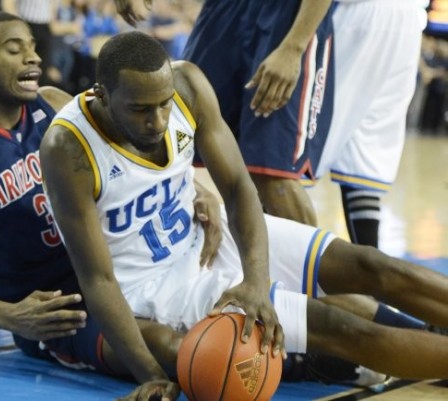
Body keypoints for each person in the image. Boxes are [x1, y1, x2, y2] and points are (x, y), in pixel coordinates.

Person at [40, 31, 448, 400]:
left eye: (164, 105)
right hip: (160, 284)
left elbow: (237, 187)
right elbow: (98, 278)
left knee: (371, 265)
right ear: (101, 95)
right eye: (141, 110)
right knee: (343, 329)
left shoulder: (188, 85)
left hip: (208, 234)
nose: (158, 121)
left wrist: (255, 281)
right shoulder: (68, 149)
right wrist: (150, 374)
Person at [0, 10, 222, 387]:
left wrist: (192, 188)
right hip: (58, 308)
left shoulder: (53, 103)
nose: (34, 57)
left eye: (33, 47)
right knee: (177, 351)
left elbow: (125, 157)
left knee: (235, 315)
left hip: (121, 264)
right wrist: (10, 316)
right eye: (15, 50)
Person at [179, 0, 335, 226]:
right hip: (223, 12)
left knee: (271, 172)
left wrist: (293, 48)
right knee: (177, 137)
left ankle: (311, 251)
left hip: (286, 18)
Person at [314, 0, 429, 248]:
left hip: (357, 15)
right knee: (364, 153)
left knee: (304, 137)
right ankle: (369, 262)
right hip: (408, 21)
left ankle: (279, 256)